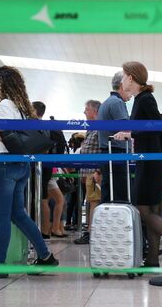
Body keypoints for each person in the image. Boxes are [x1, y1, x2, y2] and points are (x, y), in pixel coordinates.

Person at [0, 66, 58, 279]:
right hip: (20, 166)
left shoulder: (5, 104)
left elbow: (1, 133)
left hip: (3, 164)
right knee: (17, 214)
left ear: (2, 83)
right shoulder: (22, 106)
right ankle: (46, 256)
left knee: (2, 217)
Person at [114, 61, 162, 267]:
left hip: (149, 161)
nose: (122, 80)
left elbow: (156, 126)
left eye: (124, 76)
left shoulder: (145, 99)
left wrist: (130, 133)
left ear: (131, 78)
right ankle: (151, 260)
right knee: (153, 210)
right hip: (150, 159)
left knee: (143, 210)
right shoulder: (142, 99)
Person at [32, 101, 67, 239]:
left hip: (40, 167)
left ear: (35, 110)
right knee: (45, 198)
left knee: (43, 199)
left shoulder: (37, 125)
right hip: (47, 167)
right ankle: (47, 230)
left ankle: (45, 231)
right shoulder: (47, 126)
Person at [98, 72, 131, 205]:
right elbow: (126, 128)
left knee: (108, 192)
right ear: (122, 85)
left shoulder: (106, 103)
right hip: (116, 152)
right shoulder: (117, 103)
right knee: (119, 194)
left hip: (107, 153)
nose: (131, 92)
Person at [73, 100, 102, 245]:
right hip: (89, 173)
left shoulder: (99, 128)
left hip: (95, 173)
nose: (84, 112)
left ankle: (92, 232)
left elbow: (103, 150)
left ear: (95, 111)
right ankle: (90, 230)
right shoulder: (91, 128)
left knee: (94, 202)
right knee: (91, 202)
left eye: (87, 109)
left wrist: (98, 170)